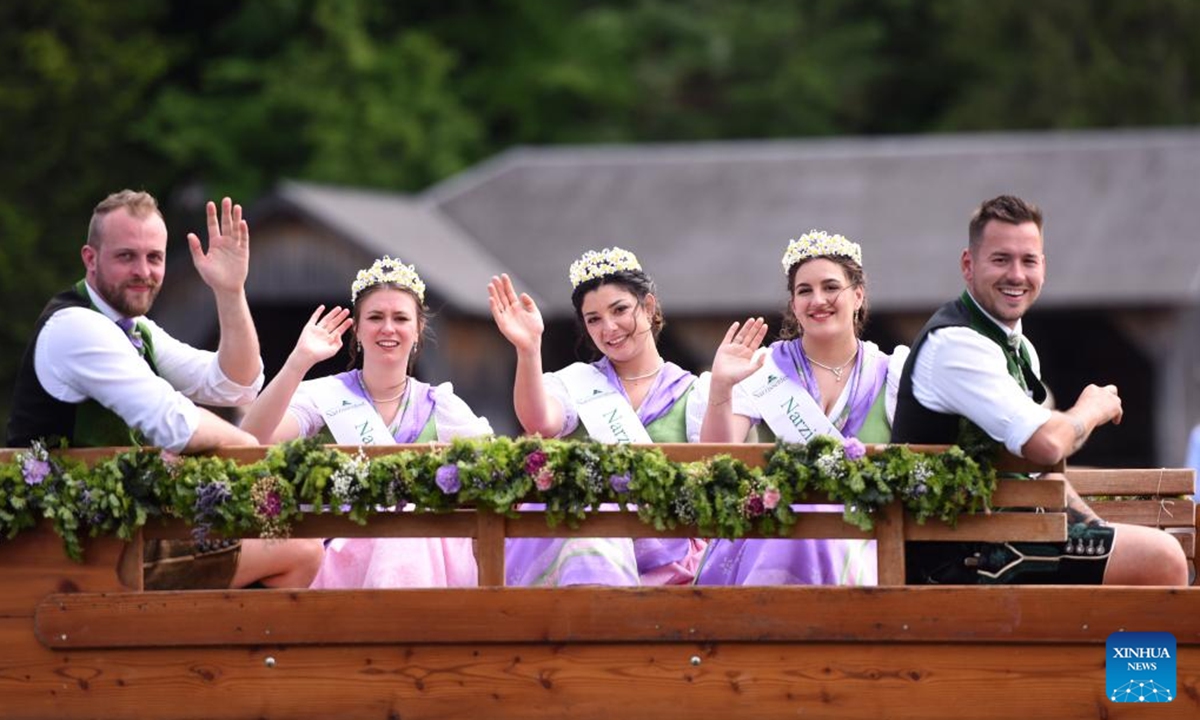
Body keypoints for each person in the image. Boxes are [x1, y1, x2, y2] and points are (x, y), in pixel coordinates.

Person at [6, 189, 323, 589]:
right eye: (126, 256)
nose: (144, 270)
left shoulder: (134, 329)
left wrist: (229, 292)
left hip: (120, 536)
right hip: (71, 548)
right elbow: (174, 425)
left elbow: (236, 385)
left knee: (281, 539)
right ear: (90, 259)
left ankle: (211, 649)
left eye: (154, 257)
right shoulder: (76, 327)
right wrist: (249, 449)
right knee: (302, 551)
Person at [891, 194, 1188, 585]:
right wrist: (1093, 408)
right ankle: (1135, 651)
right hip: (957, 558)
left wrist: (1097, 525)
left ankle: (1121, 650)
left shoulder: (1019, 348)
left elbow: (1041, 474)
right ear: (968, 265)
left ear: (1043, 268)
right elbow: (1046, 445)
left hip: (1006, 533)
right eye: (1000, 260)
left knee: (1166, 548)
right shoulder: (956, 344)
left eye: (1028, 260)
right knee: (1162, 558)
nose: (1016, 274)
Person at [241, 256, 492, 588]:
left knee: (410, 530)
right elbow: (252, 440)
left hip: (427, 560)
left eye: (400, 318)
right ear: (357, 331)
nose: (388, 328)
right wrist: (297, 363)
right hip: (343, 556)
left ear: (417, 330)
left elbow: (494, 468)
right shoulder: (325, 396)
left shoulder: (441, 406)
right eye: (375, 317)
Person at [488, 248, 705, 586]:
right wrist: (528, 350)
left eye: (619, 310)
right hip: (582, 549)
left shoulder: (694, 393)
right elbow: (540, 421)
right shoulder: (577, 383)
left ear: (648, 307)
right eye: (594, 319)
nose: (609, 327)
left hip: (665, 551)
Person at [695, 230, 898, 585]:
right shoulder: (764, 367)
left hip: (866, 543)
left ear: (859, 295)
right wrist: (721, 387)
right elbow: (717, 459)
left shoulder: (892, 373)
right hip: (776, 540)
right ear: (793, 304)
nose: (818, 299)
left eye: (831, 287)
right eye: (805, 291)